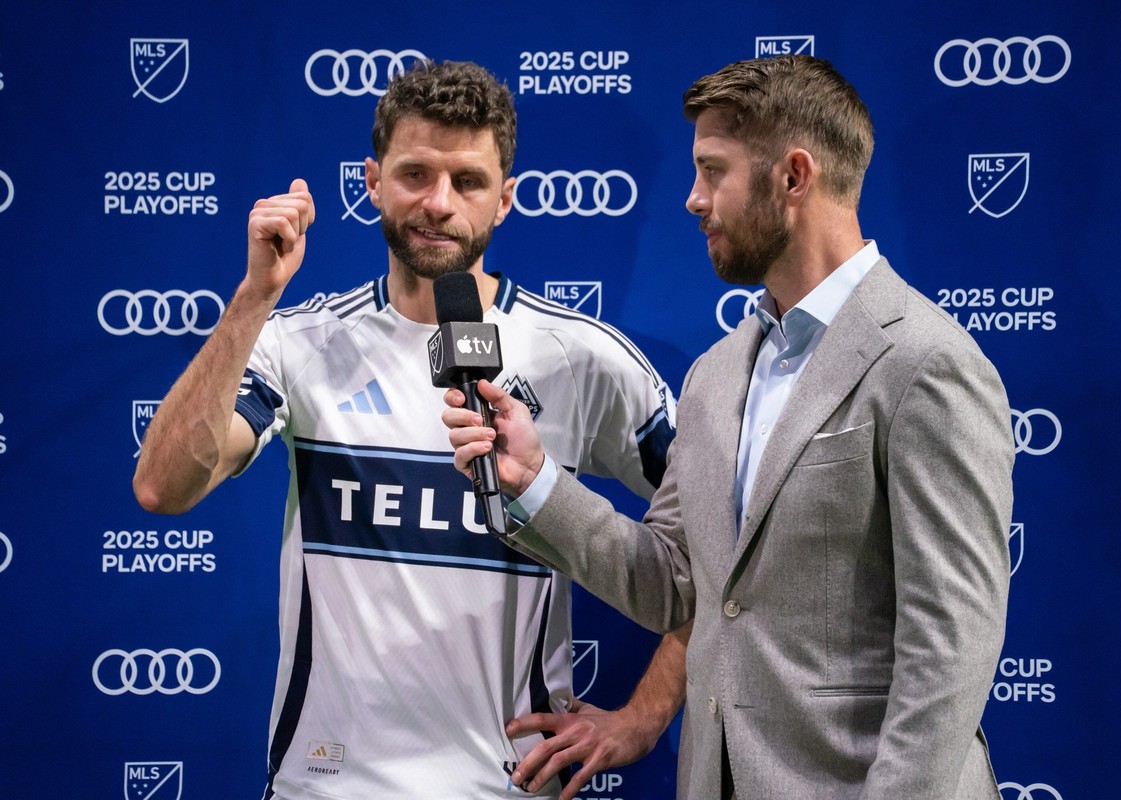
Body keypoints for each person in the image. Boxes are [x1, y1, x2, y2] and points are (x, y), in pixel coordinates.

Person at [444, 54, 1014, 800]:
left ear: (794, 176)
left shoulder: (926, 363)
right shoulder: (717, 373)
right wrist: (538, 481)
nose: (692, 200)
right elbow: (676, 588)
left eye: (713, 171)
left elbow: (951, 650)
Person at [133, 60, 688, 799]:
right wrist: (252, 299)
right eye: (415, 174)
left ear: (505, 201)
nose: (438, 202)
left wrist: (645, 719)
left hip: (508, 788)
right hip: (325, 787)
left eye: (467, 182)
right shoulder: (300, 342)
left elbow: (726, 547)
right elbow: (162, 488)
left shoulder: (582, 359)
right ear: (370, 181)